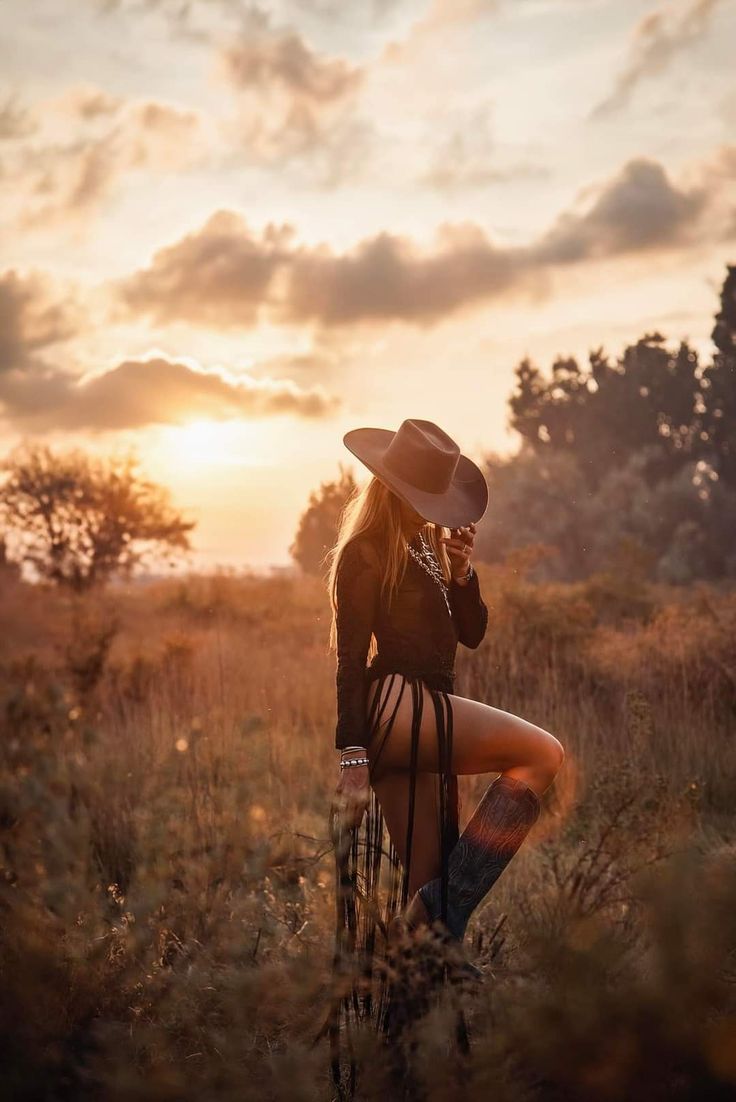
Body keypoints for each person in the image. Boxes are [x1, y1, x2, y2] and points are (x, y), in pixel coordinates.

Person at [317, 418, 565, 1088]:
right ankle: (452, 925)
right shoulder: (366, 552)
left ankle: (387, 1066)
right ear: (396, 486)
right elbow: (348, 661)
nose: (437, 513)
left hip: (422, 718)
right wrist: (350, 756)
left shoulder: (426, 548)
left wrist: (462, 573)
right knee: (542, 753)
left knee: (421, 903)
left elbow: (473, 634)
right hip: (398, 709)